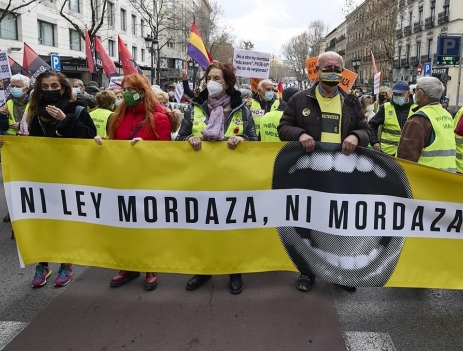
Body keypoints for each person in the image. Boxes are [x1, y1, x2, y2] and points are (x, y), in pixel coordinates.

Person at [278, 51, 370, 292]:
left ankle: (341, 274)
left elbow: (366, 132)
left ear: (343, 73)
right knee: (308, 221)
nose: (332, 71)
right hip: (310, 173)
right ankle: (307, 271)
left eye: (337, 68)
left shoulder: (351, 101)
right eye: (327, 67)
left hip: (342, 174)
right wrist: (300, 134)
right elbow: (283, 127)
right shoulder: (299, 100)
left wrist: (355, 136)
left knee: (340, 223)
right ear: (316, 71)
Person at [0, 70, 97, 288]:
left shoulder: (77, 107)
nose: (50, 90)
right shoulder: (34, 111)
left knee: (64, 220)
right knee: (42, 219)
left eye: (55, 86)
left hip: (69, 175)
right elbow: (30, 142)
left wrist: (65, 120)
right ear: (39, 89)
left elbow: (89, 136)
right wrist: (10, 146)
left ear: (63, 87)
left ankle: (65, 263)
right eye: (46, 87)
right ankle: (42, 264)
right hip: (41, 175)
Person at [177, 61, 257, 295]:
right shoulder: (194, 108)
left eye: (217, 79)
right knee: (203, 225)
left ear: (228, 82)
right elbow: (179, 138)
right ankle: (204, 269)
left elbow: (255, 139)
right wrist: (187, 141)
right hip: (201, 180)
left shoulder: (241, 109)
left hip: (232, 180)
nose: (211, 83)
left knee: (231, 226)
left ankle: (234, 270)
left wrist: (243, 140)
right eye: (209, 78)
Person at [96, 75, 175, 291]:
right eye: (125, 88)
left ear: (142, 90)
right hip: (123, 181)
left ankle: (150, 266)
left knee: (147, 225)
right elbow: (114, 143)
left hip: (148, 182)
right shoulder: (118, 116)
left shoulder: (159, 117)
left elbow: (167, 153)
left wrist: (147, 148)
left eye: (132, 89)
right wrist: (103, 145)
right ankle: (129, 265)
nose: (127, 93)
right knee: (125, 224)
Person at [396, 77, 456, 172]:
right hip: (447, 178)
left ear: (420, 93)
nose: (414, 93)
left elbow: (406, 159)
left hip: (425, 181)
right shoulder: (447, 115)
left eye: (415, 90)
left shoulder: (418, 120)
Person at [368, 81, 416, 156]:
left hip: (409, 153)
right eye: (395, 94)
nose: (397, 97)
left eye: (400, 94)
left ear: (408, 93)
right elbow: (371, 124)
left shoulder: (416, 108)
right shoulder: (385, 107)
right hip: (388, 153)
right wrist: (374, 141)